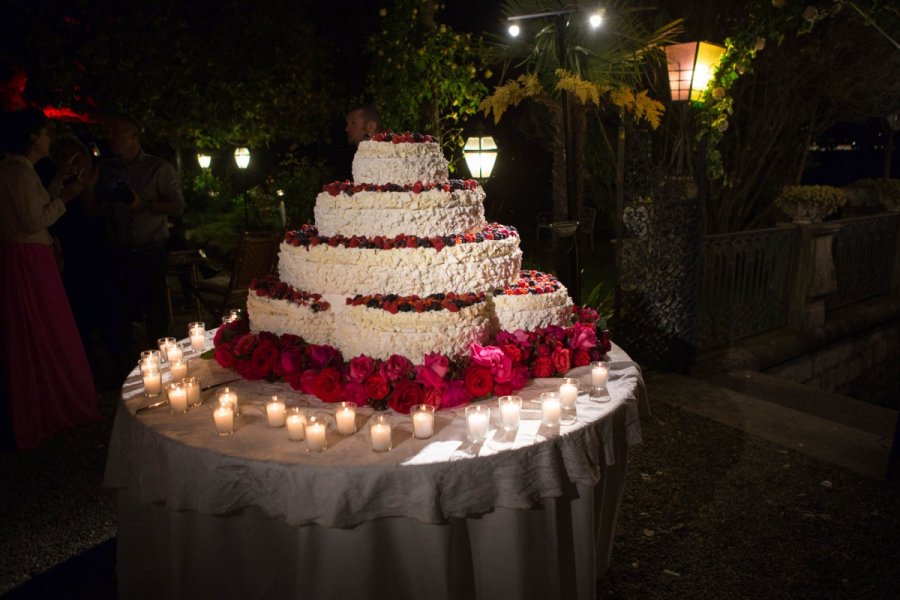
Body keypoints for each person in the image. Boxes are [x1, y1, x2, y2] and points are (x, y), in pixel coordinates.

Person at [0, 107, 99, 449]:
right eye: (45, 133)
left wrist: (60, 178)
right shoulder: (16, 171)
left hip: (32, 254)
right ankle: (49, 406)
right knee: (42, 329)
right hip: (28, 258)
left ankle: (53, 402)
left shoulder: (22, 170)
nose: (49, 138)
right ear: (31, 137)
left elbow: (36, 204)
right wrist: (66, 198)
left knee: (47, 328)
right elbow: (32, 220)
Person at [97, 113, 184, 349]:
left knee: (155, 311)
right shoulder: (105, 170)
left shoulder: (157, 168)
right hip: (118, 249)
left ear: (133, 137)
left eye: (116, 132)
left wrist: (142, 204)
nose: (110, 137)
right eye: (108, 132)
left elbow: (177, 205)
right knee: (121, 311)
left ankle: (162, 360)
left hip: (150, 249)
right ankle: (127, 366)